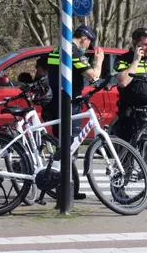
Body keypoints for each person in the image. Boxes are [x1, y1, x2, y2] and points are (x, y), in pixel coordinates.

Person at [43, 24, 103, 200]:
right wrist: (98, 61)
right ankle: (56, 185)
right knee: (69, 148)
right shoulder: (74, 52)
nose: (88, 48)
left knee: (66, 147)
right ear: (84, 38)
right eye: (88, 44)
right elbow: (93, 76)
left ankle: (70, 190)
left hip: (54, 103)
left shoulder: (57, 49)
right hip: (68, 104)